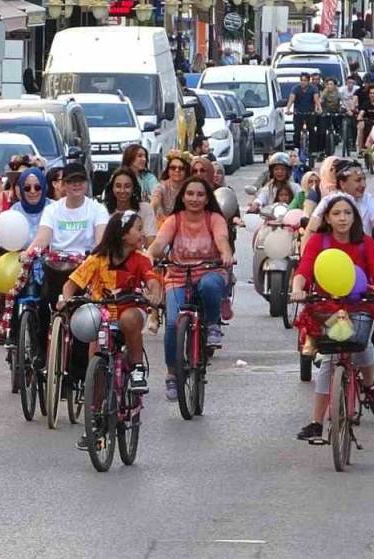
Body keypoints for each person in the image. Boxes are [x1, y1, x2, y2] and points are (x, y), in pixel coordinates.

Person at [59, 210, 162, 448]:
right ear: (123, 234)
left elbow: (153, 282)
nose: (141, 233)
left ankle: (136, 370)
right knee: (95, 360)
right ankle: (95, 420)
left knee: (128, 320)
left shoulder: (141, 259)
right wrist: (66, 299)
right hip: (101, 315)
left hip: (130, 311)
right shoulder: (97, 259)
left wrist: (155, 296)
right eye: (138, 228)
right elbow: (71, 283)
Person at [291, 195, 374, 441]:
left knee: (362, 344)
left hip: (360, 307)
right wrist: (297, 288)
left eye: (348, 213)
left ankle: (368, 385)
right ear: (327, 218)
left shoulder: (365, 243)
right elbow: (304, 271)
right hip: (327, 308)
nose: (342, 218)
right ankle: (316, 422)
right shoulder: (318, 242)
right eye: (336, 213)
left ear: (355, 217)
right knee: (328, 360)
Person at [148, 177, 234, 400]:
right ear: (182, 197)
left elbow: (222, 239)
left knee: (209, 285)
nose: (194, 199)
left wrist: (225, 254)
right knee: (172, 325)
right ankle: (172, 374)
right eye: (190, 194)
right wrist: (152, 254)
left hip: (209, 272)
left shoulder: (214, 218)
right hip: (177, 276)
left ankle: (213, 325)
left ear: (207, 199)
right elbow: (159, 243)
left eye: (200, 194)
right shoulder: (174, 220)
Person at [26, 163, 110, 378]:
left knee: (84, 315)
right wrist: (31, 251)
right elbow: (44, 236)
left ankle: (79, 370)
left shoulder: (97, 209)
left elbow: (101, 240)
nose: (76, 185)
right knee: (44, 304)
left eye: (80, 181)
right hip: (56, 267)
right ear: (63, 185)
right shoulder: (53, 209)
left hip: (85, 270)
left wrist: (94, 257)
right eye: (71, 181)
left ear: (86, 183)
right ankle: (42, 354)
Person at [0, 167, 50, 346]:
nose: (32, 192)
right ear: (20, 189)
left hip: (48, 263)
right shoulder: (15, 209)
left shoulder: (53, 208)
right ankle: (11, 332)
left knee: (48, 301)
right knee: (13, 296)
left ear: (44, 188)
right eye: (27, 188)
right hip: (18, 261)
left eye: (37, 187)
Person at [304, 161, 374, 264]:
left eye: (364, 179)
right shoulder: (328, 201)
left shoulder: (369, 200)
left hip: (361, 259)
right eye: (358, 180)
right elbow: (311, 230)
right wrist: (304, 261)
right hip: (330, 260)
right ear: (342, 184)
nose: (363, 184)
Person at [105, 168, 158, 243]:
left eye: (127, 186)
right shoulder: (103, 211)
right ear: (112, 188)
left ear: (133, 188)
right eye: (118, 186)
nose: (122, 190)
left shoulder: (145, 208)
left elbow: (151, 242)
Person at [151, 151, 191, 226]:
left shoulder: (190, 187)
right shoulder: (161, 186)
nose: (177, 170)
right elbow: (154, 202)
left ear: (186, 171)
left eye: (181, 168)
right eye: (173, 168)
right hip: (165, 224)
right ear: (168, 170)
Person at [289, 72, 320, 150]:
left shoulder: (313, 88)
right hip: (298, 113)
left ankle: (312, 150)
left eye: (305, 80)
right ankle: (296, 148)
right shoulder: (295, 88)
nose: (303, 82)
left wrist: (319, 108)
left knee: (312, 131)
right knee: (296, 132)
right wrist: (288, 109)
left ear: (308, 81)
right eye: (301, 80)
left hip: (310, 113)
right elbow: (291, 99)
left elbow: (316, 99)